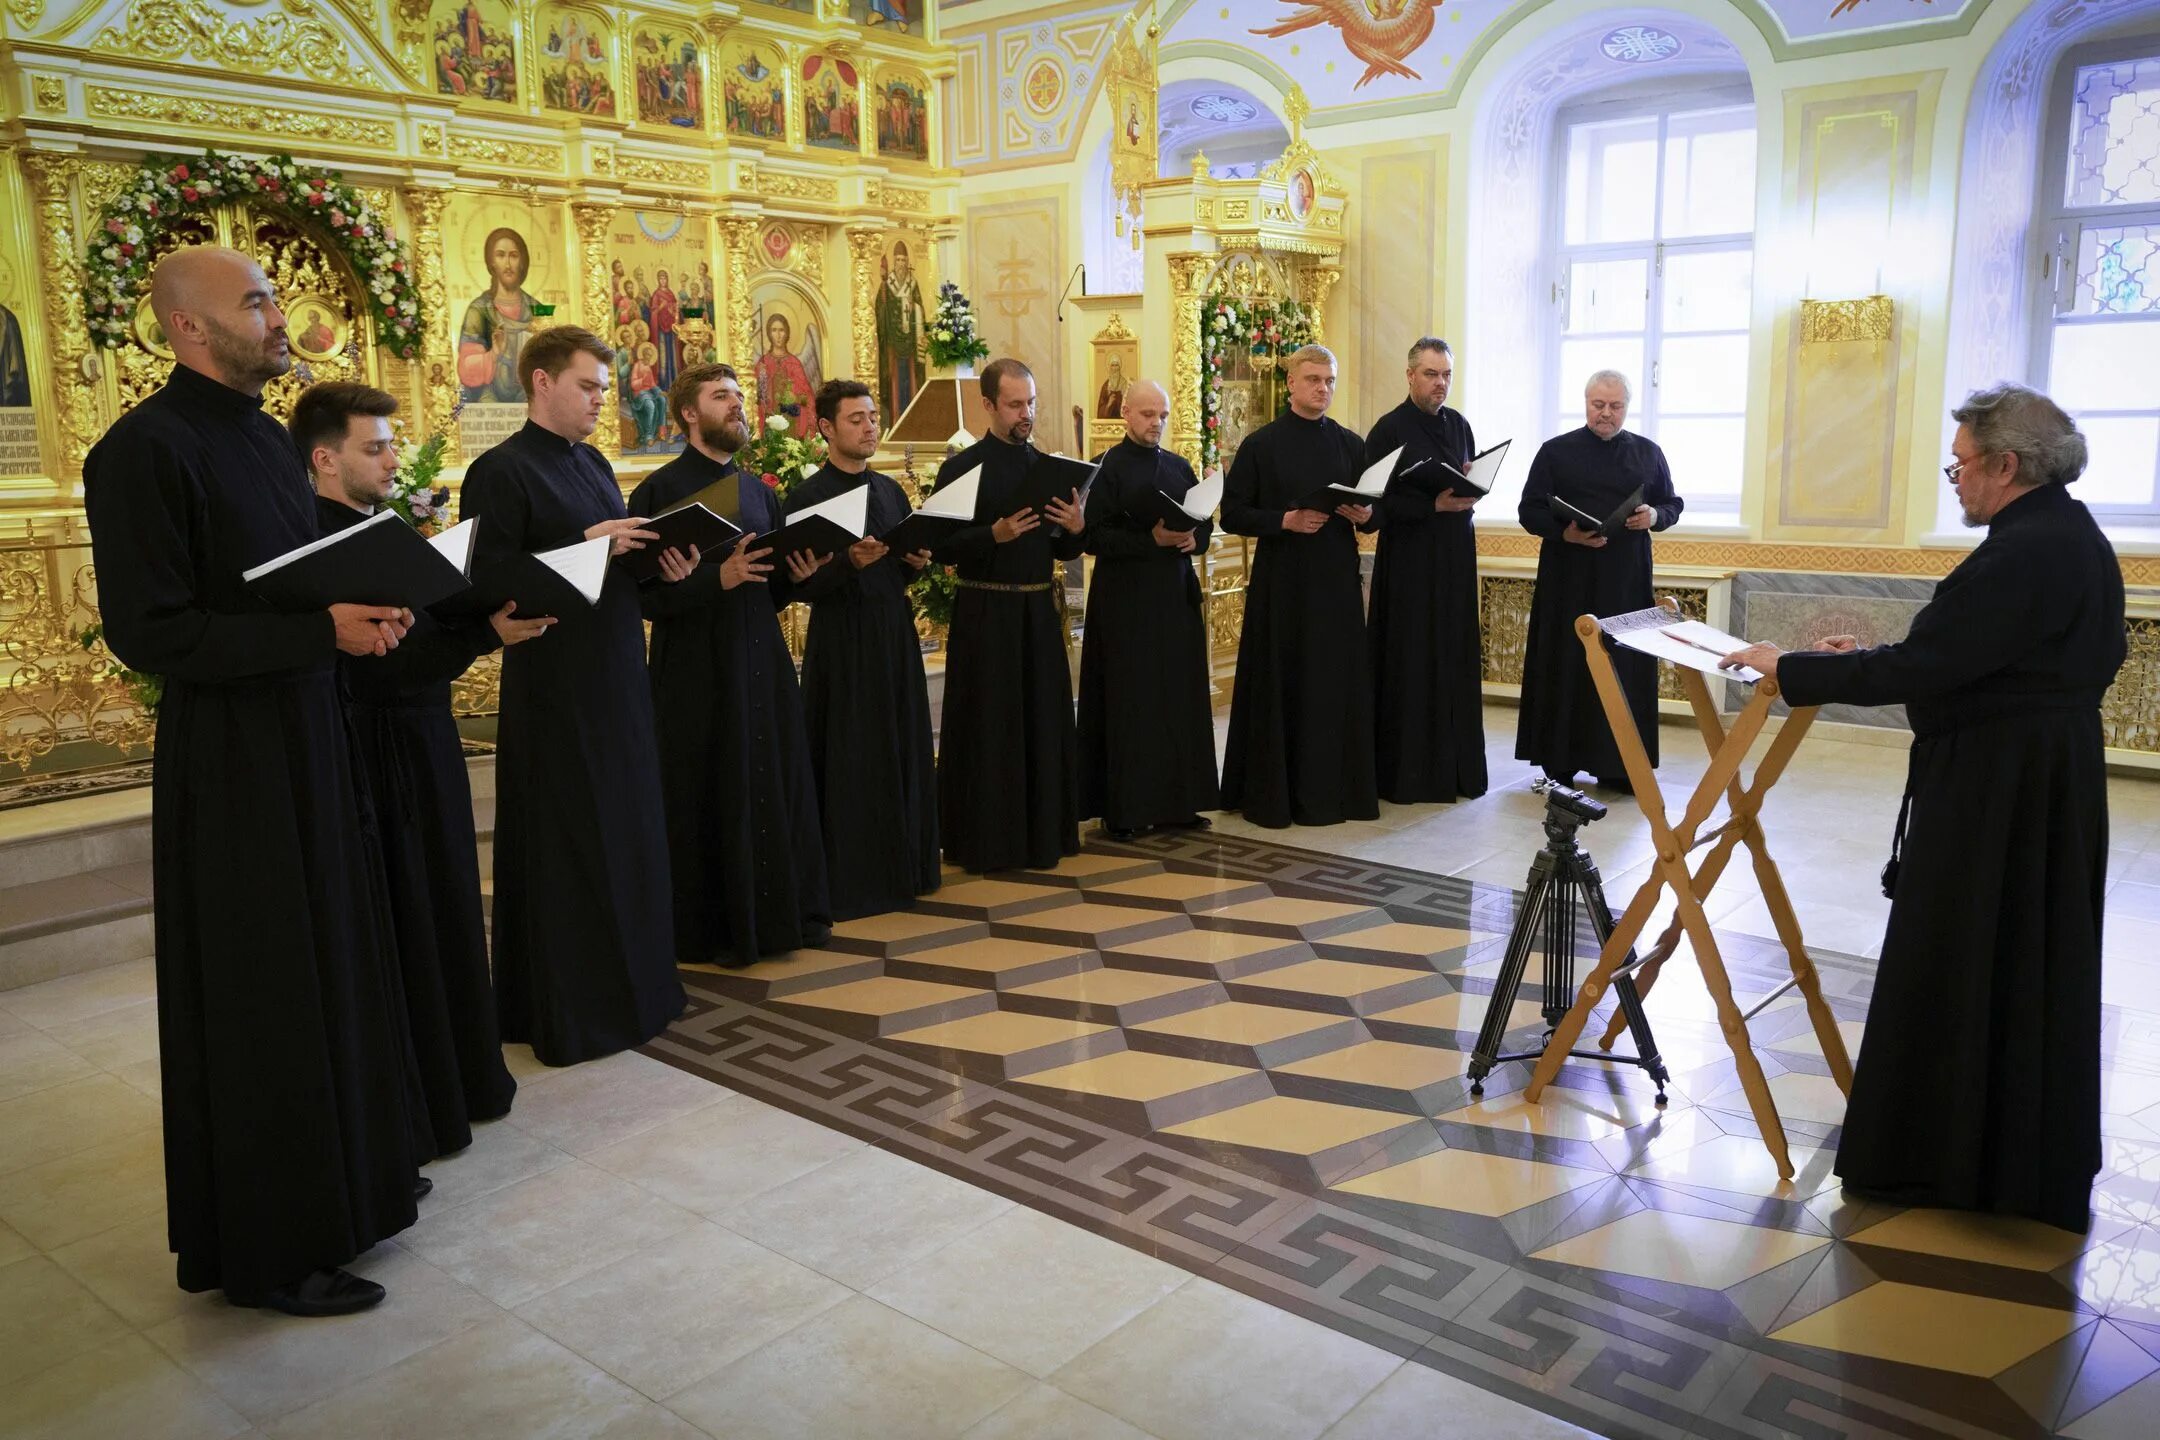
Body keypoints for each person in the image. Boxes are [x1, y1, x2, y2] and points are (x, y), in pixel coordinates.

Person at [83, 246, 419, 1316]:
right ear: (189, 327)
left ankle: (352, 1184)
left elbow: (289, 585)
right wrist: (320, 630)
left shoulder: (269, 443)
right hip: (231, 761)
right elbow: (154, 633)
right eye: (258, 303)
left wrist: (361, 607)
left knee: (335, 954)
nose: (282, 317)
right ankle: (277, 1248)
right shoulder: (144, 450)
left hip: (308, 731)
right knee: (268, 987)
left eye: (277, 298)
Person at [1721, 384, 2126, 1234]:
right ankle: (2009, 1155)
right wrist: (1864, 654)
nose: (1958, 480)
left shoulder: (2022, 550)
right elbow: (1978, 655)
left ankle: (1941, 1160)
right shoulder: (2069, 535)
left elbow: (1930, 669)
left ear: (2007, 464)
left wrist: (1788, 667)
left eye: (1962, 465)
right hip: (2044, 779)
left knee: (1969, 950)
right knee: (2024, 960)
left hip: (1996, 791)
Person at [293, 381, 549, 1161]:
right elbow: (379, 660)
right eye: (376, 448)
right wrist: (484, 636)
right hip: (375, 754)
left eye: (391, 445)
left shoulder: (377, 526)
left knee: (445, 907)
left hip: (423, 740)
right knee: (407, 915)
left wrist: (473, 613)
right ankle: (428, 1091)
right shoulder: (317, 540)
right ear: (325, 458)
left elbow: (423, 629)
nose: (392, 460)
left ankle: (464, 1079)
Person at [458, 325, 685, 1064]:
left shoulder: (591, 462)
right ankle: (575, 1008)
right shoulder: (500, 471)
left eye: (603, 387)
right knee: (571, 846)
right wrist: (590, 548)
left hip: (618, 671)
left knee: (627, 836)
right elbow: (488, 579)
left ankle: (638, 991)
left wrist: (661, 565)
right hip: (556, 684)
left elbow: (614, 567)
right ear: (543, 383)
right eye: (588, 386)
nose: (600, 400)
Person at [631, 364, 834, 960]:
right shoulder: (658, 492)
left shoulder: (758, 492)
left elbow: (767, 589)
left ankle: (782, 919)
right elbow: (642, 598)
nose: (737, 406)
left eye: (740, 397)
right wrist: (715, 579)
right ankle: (711, 929)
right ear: (690, 414)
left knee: (772, 779)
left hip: (761, 661)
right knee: (706, 788)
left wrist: (795, 578)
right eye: (722, 397)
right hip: (695, 670)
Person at [787, 379, 940, 917]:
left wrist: (911, 562)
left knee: (902, 742)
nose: (870, 426)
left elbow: (897, 562)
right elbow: (798, 585)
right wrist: (848, 564)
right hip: (842, 639)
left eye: (873, 417)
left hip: (893, 632)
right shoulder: (807, 498)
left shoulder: (891, 491)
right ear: (826, 428)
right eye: (856, 419)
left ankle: (909, 867)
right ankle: (855, 877)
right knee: (851, 751)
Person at [932, 358, 1088, 871]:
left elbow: (1064, 551)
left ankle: (1044, 834)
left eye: (1032, 402)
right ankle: (988, 841)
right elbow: (940, 547)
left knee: (1042, 722)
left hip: (1038, 612)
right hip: (986, 611)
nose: (1027, 413)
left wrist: (1075, 525)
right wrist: (991, 536)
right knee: (991, 725)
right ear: (988, 405)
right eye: (1016, 404)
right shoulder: (961, 468)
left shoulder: (1045, 467)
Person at [1219, 344, 1381, 829]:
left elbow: (1377, 513)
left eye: (1330, 380)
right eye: (1313, 379)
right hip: (1283, 584)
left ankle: (1336, 790)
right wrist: (1285, 519)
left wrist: (1367, 513)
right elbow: (1233, 513)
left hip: (1335, 581)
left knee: (1334, 683)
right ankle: (1277, 792)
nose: (1323, 388)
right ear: (1290, 383)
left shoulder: (1351, 444)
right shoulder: (1262, 445)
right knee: (1283, 680)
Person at [1514, 370, 1683, 791]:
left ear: (1627, 407)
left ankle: (1619, 764)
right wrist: (1565, 533)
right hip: (1568, 580)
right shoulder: (1555, 452)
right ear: (1586, 403)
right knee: (1568, 663)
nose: (1606, 414)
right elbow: (1529, 510)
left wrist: (1654, 516)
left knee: (1622, 664)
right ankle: (1561, 761)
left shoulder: (1648, 452)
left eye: (1615, 406)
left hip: (1625, 583)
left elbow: (1672, 503)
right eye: (1598, 405)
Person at [1078, 378, 1220, 840]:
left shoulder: (1179, 467)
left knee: (1178, 699)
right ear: (1125, 414)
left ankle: (1179, 803)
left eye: (1161, 415)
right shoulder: (1105, 468)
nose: (1155, 423)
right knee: (1130, 703)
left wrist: (1189, 538)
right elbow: (1090, 536)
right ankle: (1125, 808)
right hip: (1125, 602)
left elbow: (1205, 525)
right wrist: (1149, 540)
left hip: (1174, 598)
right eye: (1146, 414)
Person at [1367, 337, 1487, 803]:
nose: (1441, 384)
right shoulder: (1388, 430)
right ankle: (1408, 775)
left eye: (1447, 376)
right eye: (1432, 375)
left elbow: (1466, 481)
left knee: (1453, 656)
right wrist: (1430, 503)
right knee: (1410, 660)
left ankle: (1457, 771)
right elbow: (1376, 505)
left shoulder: (1459, 425)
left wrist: (1469, 489)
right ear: (1411, 375)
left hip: (1456, 556)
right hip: (1410, 565)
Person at [457, 227, 540, 404]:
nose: (508, 264)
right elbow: (466, 367)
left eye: (514, 255)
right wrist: (494, 354)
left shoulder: (537, 309)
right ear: (491, 262)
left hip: (530, 396)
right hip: (490, 397)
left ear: (523, 261)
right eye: (501, 255)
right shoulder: (479, 309)